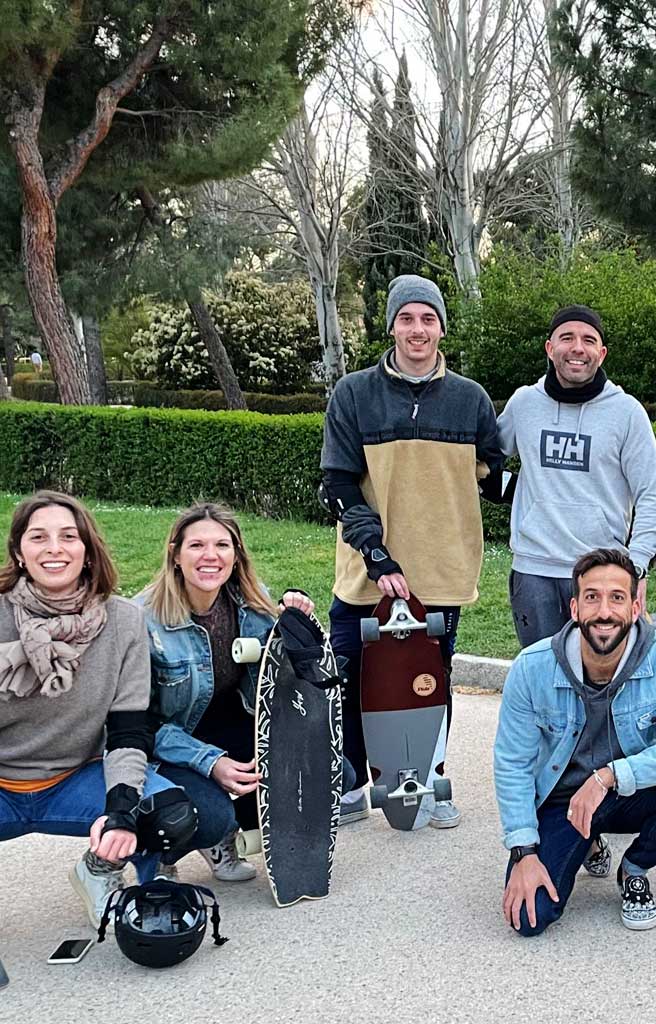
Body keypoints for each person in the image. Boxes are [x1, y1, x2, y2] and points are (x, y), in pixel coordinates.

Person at [320, 274, 503, 829]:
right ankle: (352, 782)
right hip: (364, 576)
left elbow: (495, 479)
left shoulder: (470, 399)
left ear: (442, 328)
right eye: (407, 318)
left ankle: (430, 782)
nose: (417, 329)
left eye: (428, 319)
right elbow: (337, 485)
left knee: (431, 683)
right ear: (392, 325)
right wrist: (378, 557)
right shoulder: (353, 393)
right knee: (351, 678)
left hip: (442, 576)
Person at [0, 491, 201, 928]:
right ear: (18, 551)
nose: (54, 548)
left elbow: (129, 730)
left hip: (75, 776)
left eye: (68, 536)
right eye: (39, 537)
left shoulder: (125, 620)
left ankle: (114, 881)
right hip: (3, 782)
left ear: (88, 551)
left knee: (168, 816)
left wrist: (122, 813)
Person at [494, 548, 656, 935]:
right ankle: (586, 840)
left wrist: (606, 776)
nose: (604, 612)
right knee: (529, 919)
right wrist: (523, 851)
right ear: (574, 608)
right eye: (592, 597)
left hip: (630, 790)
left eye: (617, 598)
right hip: (564, 803)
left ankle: (634, 868)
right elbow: (513, 765)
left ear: (636, 607)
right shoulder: (531, 667)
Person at [137, 502, 320, 882]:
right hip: (167, 741)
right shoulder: (143, 620)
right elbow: (137, 726)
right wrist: (209, 762)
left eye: (222, 545)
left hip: (230, 724)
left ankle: (217, 834)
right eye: (196, 546)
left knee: (325, 770)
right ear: (175, 554)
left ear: (236, 556)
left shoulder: (253, 603)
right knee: (209, 813)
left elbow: (294, 677)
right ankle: (161, 842)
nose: (210, 556)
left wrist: (296, 618)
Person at [496, 305, 656, 648]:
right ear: (549, 347)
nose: (577, 348)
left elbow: (650, 494)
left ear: (601, 354)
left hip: (600, 571)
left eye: (589, 340)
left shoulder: (627, 412)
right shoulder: (524, 403)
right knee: (542, 677)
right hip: (534, 569)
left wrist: (638, 565)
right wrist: (518, 493)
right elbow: (482, 460)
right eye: (567, 338)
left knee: (601, 680)